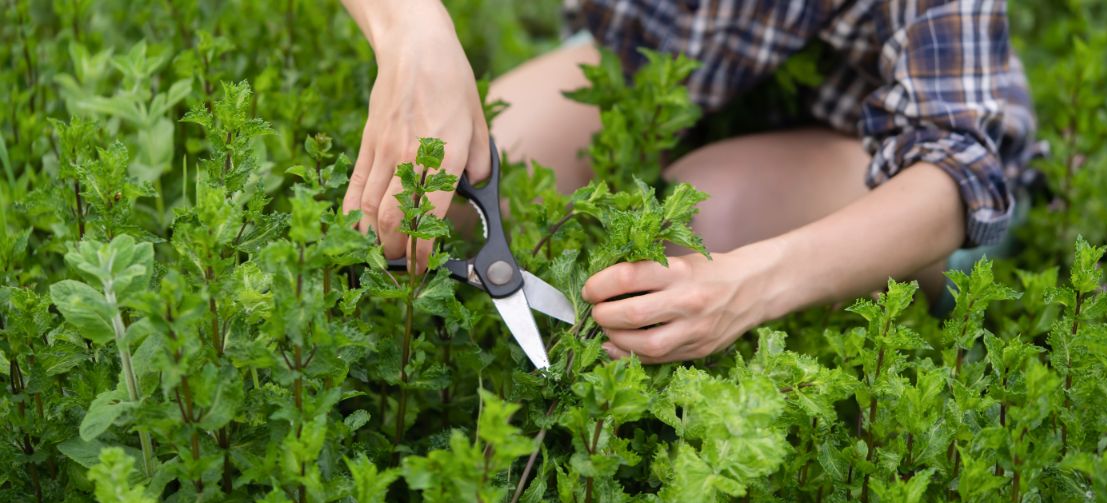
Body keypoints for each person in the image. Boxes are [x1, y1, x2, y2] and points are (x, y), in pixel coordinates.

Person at [337, 0, 1038, 363]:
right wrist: (413, 35)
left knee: (694, 235)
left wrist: (749, 286)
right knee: (417, 203)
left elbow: (958, 171)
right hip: (659, 68)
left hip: (870, 140)